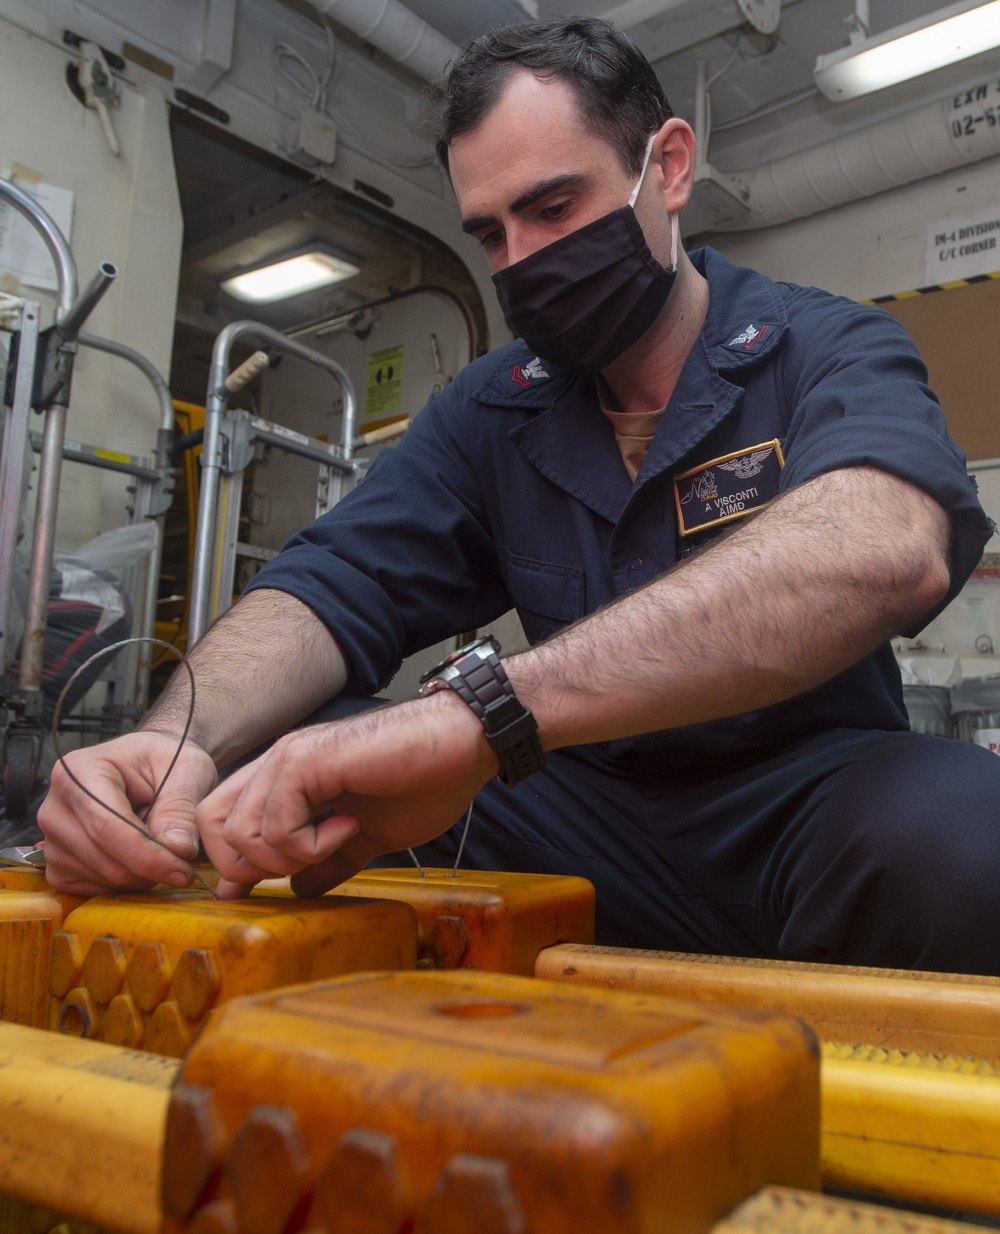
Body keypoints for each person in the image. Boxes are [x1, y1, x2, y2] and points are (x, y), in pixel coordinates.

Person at [39, 17, 1000, 974]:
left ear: (667, 169)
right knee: (302, 764)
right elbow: (333, 582)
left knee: (967, 833)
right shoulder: (492, 410)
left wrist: (481, 714)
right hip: (574, 818)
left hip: (804, 815)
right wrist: (169, 747)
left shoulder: (825, 345)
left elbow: (886, 544)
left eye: (553, 208)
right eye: (491, 234)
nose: (521, 263)